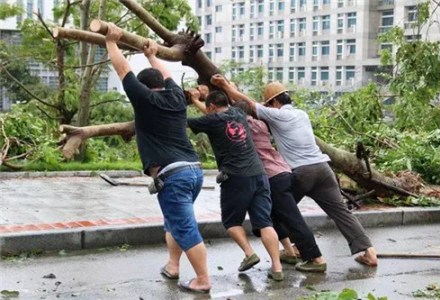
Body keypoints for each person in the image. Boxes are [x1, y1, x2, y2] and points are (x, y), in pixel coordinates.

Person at [211, 75, 378, 268]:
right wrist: (230, 87)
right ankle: (369, 252)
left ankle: (302, 252)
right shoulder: (302, 114)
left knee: (279, 212)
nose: (267, 108)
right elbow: (249, 105)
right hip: (324, 170)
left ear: (274, 102)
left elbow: (247, 103)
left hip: (301, 173)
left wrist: (224, 85)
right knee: (341, 212)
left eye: (269, 104)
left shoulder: (277, 114)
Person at [104, 23, 211, 294]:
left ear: (143, 88)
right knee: (174, 222)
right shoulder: (176, 96)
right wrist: (152, 55)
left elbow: (122, 70)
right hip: (193, 171)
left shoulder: (144, 100)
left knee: (184, 227)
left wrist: (111, 42)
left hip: (173, 175)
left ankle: (203, 279)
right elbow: (168, 76)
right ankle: (173, 266)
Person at [208, 77, 327, 272]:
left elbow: (226, 115)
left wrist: (219, 91)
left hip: (273, 178)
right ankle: (289, 251)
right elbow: (244, 107)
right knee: (271, 217)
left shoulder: (243, 127)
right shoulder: (264, 124)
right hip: (285, 173)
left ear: (273, 102)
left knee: (291, 218)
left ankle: (316, 258)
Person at [186, 88, 284, 281]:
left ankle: (249, 253)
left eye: (209, 108)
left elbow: (184, 122)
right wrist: (200, 100)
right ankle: (277, 267)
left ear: (212, 106)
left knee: (231, 222)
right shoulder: (238, 113)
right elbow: (216, 113)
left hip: (236, 177)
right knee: (265, 222)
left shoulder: (211, 121)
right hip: (259, 174)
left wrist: (192, 99)